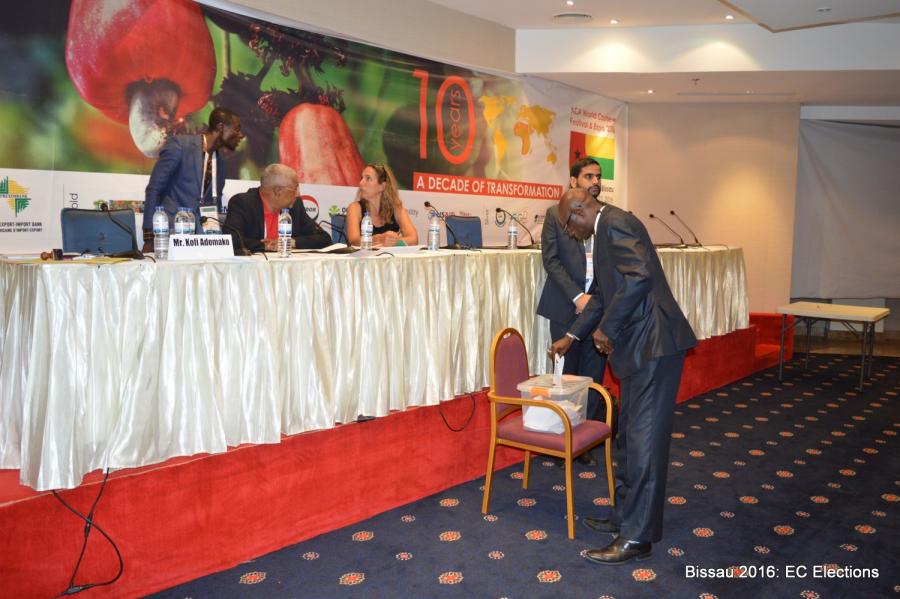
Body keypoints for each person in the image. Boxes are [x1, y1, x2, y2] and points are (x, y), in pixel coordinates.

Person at [550, 187, 697, 565]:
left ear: (580, 210)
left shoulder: (617, 224)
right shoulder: (605, 229)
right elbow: (602, 295)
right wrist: (572, 336)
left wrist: (607, 329)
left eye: (568, 226)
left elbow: (639, 278)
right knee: (629, 440)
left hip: (654, 346)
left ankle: (637, 537)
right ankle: (623, 518)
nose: (571, 233)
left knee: (644, 444)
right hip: (639, 350)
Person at [537, 158, 608, 466]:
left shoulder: (607, 216)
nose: (595, 181)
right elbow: (551, 260)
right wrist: (578, 297)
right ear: (573, 181)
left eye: (598, 176)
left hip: (599, 309)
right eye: (588, 176)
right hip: (566, 305)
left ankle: (585, 441)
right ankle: (560, 439)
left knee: (592, 377)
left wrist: (595, 299)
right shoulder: (555, 214)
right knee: (565, 377)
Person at [142, 107, 244, 248]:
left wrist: (216, 238)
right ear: (220, 128)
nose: (240, 135)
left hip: (202, 239)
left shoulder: (220, 162)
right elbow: (154, 188)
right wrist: (149, 236)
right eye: (236, 129)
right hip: (172, 233)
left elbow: (216, 201)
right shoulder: (180, 146)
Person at [224, 164, 330, 253]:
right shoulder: (243, 203)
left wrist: (290, 242)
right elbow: (231, 240)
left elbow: (324, 238)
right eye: (295, 189)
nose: (298, 194)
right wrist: (266, 246)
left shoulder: (295, 206)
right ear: (277, 191)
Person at [345, 163, 418, 247]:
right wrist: (377, 239)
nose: (361, 183)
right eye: (362, 178)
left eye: (368, 178)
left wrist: (395, 241)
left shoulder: (397, 209)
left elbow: (414, 239)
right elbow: (353, 241)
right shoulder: (354, 208)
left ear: (382, 186)